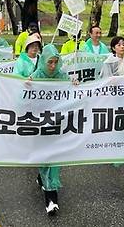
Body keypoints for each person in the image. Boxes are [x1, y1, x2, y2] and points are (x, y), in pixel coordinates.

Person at [28, 44, 75, 215]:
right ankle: (44, 181)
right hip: (40, 125)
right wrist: (27, 87)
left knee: (54, 159)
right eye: (50, 62)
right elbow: (22, 100)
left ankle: (51, 197)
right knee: (44, 158)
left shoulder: (62, 76)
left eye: (56, 62)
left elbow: (73, 95)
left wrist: (75, 85)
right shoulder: (36, 76)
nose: (53, 66)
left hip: (58, 125)